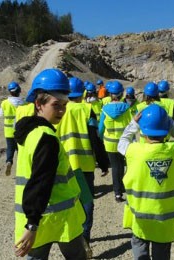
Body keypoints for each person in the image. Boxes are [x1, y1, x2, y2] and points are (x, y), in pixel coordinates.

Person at [13, 68, 87, 259]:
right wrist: (32, 225)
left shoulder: (30, 131)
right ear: (39, 104)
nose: (62, 111)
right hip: (56, 218)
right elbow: (40, 182)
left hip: (37, 216)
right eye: (56, 105)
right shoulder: (46, 138)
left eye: (64, 105)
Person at [118, 104, 174, 260]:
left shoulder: (135, 151)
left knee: (139, 246)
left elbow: (122, 143)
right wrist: (171, 125)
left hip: (141, 217)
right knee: (162, 252)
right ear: (166, 130)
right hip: (165, 219)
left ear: (143, 131)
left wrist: (133, 124)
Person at [56, 76, 109, 256]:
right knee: (86, 202)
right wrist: (103, 163)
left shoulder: (58, 109)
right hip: (84, 166)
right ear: (83, 93)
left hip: (64, 165)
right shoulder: (87, 111)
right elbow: (95, 139)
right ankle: (84, 238)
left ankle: (72, 239)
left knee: (68, 203)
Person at [98, 81, 132, 202]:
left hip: (110, 143)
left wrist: (101, 138)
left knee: (115, 167)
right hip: (124, 143)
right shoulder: (127, 108)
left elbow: (101, 128)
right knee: (122, 165)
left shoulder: (105, 109)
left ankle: (117, 193)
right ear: (121, 93)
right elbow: (131, 126)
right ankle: (123, 187)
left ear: (111, 94)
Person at [0, 81, 24, 176]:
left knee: (10, 148)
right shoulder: (23, 103)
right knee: (20, 150)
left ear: (9, 92)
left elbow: (1, 115)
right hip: (20, 131)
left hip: (8, 131)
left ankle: (9, 161)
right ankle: (21, 167)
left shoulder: (4, 103)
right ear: (19, 91)